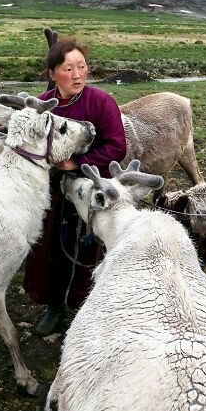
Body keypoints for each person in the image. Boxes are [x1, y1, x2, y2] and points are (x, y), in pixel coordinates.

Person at [22, 38, 126, 336]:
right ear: (53, 73)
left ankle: (86, 307)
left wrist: (77, 163)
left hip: (90, 186)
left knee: (87, 248)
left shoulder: (101, 102)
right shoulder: (41, 104)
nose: (78, 74)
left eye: (82, 67)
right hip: (51, 191)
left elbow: (117, 147)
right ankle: (54, 306)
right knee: (48, 246)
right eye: (69, 68)